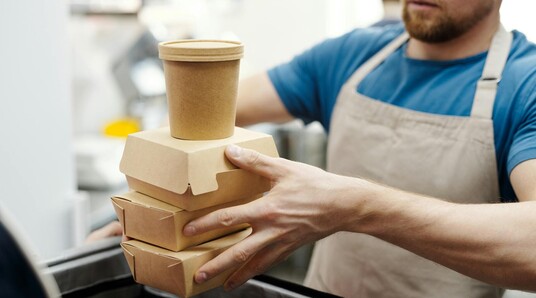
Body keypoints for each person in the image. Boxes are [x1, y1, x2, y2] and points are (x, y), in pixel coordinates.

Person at [182, 0, 536, 296]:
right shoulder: (353, 55)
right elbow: (204, 113)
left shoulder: (525, 83)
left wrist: (357, 206)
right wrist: (155, 205)